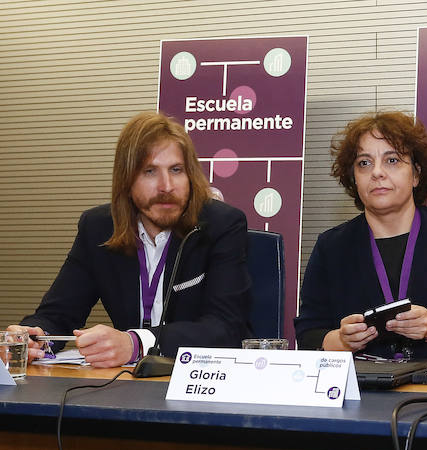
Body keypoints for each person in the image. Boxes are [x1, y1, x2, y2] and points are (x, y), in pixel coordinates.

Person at [7, 111, 251, 368]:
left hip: (201, 381)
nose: (166, 186)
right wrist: (36, 338)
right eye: (149, 171)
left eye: (176, 170)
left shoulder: (220, 224)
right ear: (126, 180)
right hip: (127, 388)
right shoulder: (98, 228)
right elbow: (57, 314)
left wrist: (136, 343)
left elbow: (226, 328)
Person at [295, 111, 427, 361]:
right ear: (353, 178)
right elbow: (307, 334)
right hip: (361, 391)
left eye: (392, 160)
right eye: (364, 163)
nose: (377, 172)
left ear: (416, 174)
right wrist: (340, 341)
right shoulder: (331, 246)